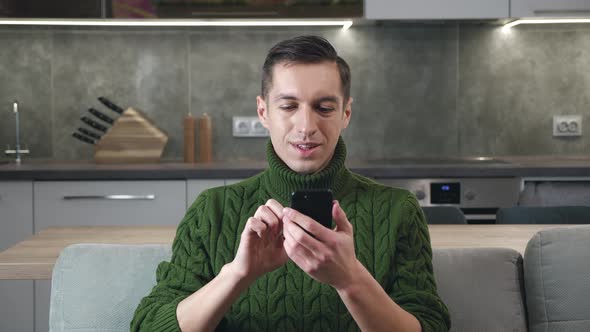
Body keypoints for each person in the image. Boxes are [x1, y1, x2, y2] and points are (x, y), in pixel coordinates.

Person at [131, 35, 450, 332]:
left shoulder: (398, 210)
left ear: (346, 113)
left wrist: (350, 280)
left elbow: (430, 325)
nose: (307, 126)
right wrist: (238, 274)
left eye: (324, 108)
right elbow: (148, 325)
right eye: (288, 106)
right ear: (263, 111)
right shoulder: (211, 211)